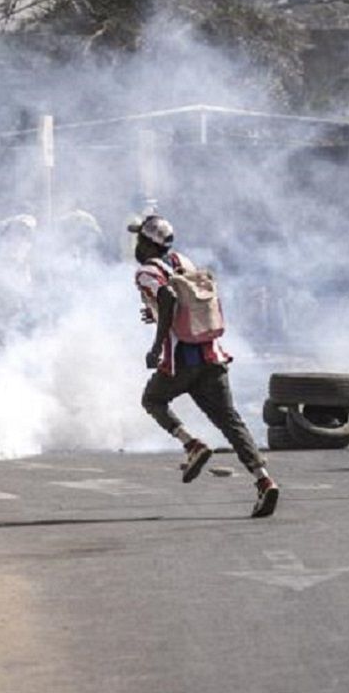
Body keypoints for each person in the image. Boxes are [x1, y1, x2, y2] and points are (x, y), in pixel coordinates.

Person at [131, 214, 279, 518]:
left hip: (181, 360)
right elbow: (187, 301)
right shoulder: (183, 261)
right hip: (211, 355)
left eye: (139, 239)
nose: (136, 244)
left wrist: (157, 345)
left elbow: (169, 297)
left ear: (147, 243)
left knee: (153, 399)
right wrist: (158, 314)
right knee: (230, 421)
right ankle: (264, 480)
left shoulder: (146, 271)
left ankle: (192, 445)